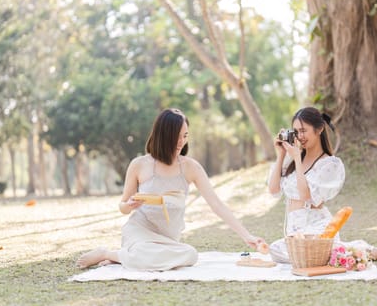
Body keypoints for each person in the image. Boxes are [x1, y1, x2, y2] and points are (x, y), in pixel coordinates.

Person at [77, 108, 266, 271]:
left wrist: (247, 236)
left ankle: (122, 257)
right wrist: (130, 205)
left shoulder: (190, 167)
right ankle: (108, 253)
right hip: (140, 233)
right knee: (144, 251)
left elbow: (216, 204)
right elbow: (122, 206)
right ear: (163, 136)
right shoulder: (139, 165)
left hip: (168, 240)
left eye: (185, 136)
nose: (181, 142)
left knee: (190, 255)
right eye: (176, 136)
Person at [267, 106, 377, 263]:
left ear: (319, 129)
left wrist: (298, 159)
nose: (299, 136)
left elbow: (306, 196)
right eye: (296, 131)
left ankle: (360, 250)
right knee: (276, 250)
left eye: (304, 130)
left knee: (309, 251)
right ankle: (339, 250)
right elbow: (273, 189)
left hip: (316, 226)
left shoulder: (329, 164)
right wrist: (281, 155)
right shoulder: (291, 159)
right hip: (295, 230)